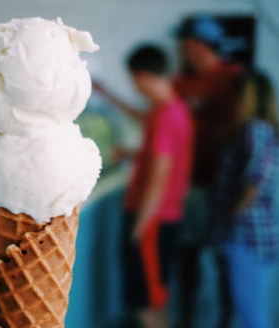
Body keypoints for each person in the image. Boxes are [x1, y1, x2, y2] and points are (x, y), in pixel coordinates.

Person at [96, 44, 194, 328]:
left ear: (141, 76)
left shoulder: (165, 116)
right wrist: (106, 94)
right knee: (155, 297)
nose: (135, 88)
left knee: (147, 306)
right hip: (162, 220)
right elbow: (156, 149)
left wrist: (139, 227)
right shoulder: (171, 109)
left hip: (152, 222)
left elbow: (158, 178)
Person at [172, 15, 243, 328]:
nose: (186, 51)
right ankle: (188, 320)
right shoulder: (180, 83)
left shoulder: (234, 78)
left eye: (189, 44)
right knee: (188, 257)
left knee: (225, 260)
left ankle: (227, 321)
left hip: (225, 185)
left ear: (202, 45)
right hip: (189, 185)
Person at [212, 71, 279, 328]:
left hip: (248, 236)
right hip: (252, 235)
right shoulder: (260, 128)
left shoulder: (255, 129)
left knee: (252, 314)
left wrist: (232, 213)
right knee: (250, 311)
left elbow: (256, 180)